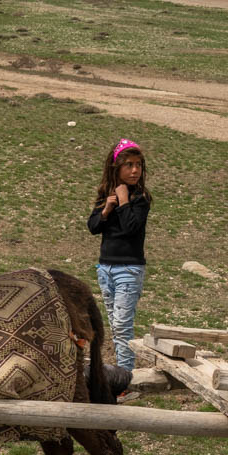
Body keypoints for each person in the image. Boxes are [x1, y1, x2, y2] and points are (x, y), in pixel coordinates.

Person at [87, 138, 151, 376]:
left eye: (138, 165)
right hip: (105, 269)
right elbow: (93, 227)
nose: (135, 170)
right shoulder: (106, 194)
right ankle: (122, 373)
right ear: (117, 168)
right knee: (115, 325)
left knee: (123, 326)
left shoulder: (140, 199)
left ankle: (125, 378)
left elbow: (130, 228)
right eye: (129, 165)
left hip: (129, 269)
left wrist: (124, 201)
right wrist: (106, 209)